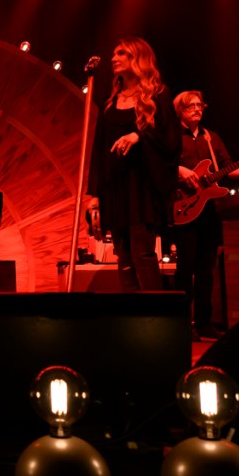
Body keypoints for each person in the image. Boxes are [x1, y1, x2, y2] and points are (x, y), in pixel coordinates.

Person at [171, 90, 239, 339]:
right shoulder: (171, 137)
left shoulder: (211, 138)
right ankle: (181, 323)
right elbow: (160, 168)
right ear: (179, 111)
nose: (197, 109)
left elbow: (227, 169)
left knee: (206, 268)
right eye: (190, 106)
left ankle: (203, 322)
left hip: (209, 213)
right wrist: (179, 170)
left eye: (200, 105)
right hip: (182, 209)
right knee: (185, 269)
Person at [86, 38, 181, 292]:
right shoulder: (110, 101)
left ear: (137, 59)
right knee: (124, 257)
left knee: (142, 254)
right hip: (116, 187)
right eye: (114, 54)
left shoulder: (159, 95)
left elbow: (169, 138)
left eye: (122, 53)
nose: (114, 58)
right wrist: (94, 192)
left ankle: (155, 319)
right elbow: (99, 149)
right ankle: (132, 318)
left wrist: (138, 136)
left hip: (142, 187)